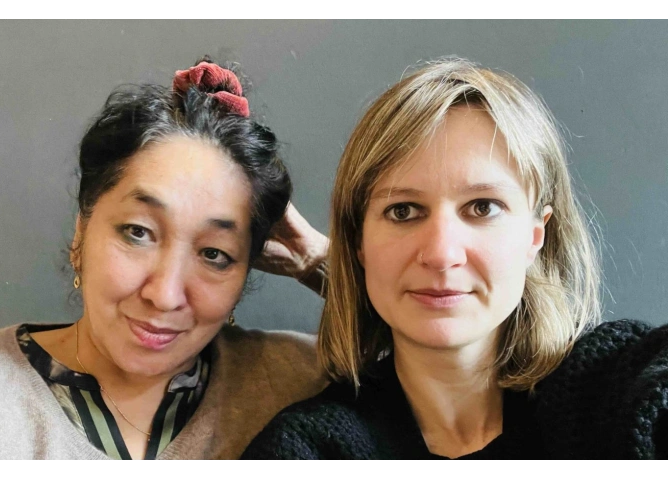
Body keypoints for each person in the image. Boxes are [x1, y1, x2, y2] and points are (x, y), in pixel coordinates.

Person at [0, 58, 329, 462]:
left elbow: (378, 345)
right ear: (82, 230)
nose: (164, 295)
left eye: (215, 254)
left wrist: (314, 260)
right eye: (138, 232)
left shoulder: (300, 379)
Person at [241, 57, 668, 463]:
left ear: (536, 235)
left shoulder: (615, 390)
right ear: (358, 242)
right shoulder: (307, 450)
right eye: (403, 211)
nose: (441, 255)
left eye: (483, 207)